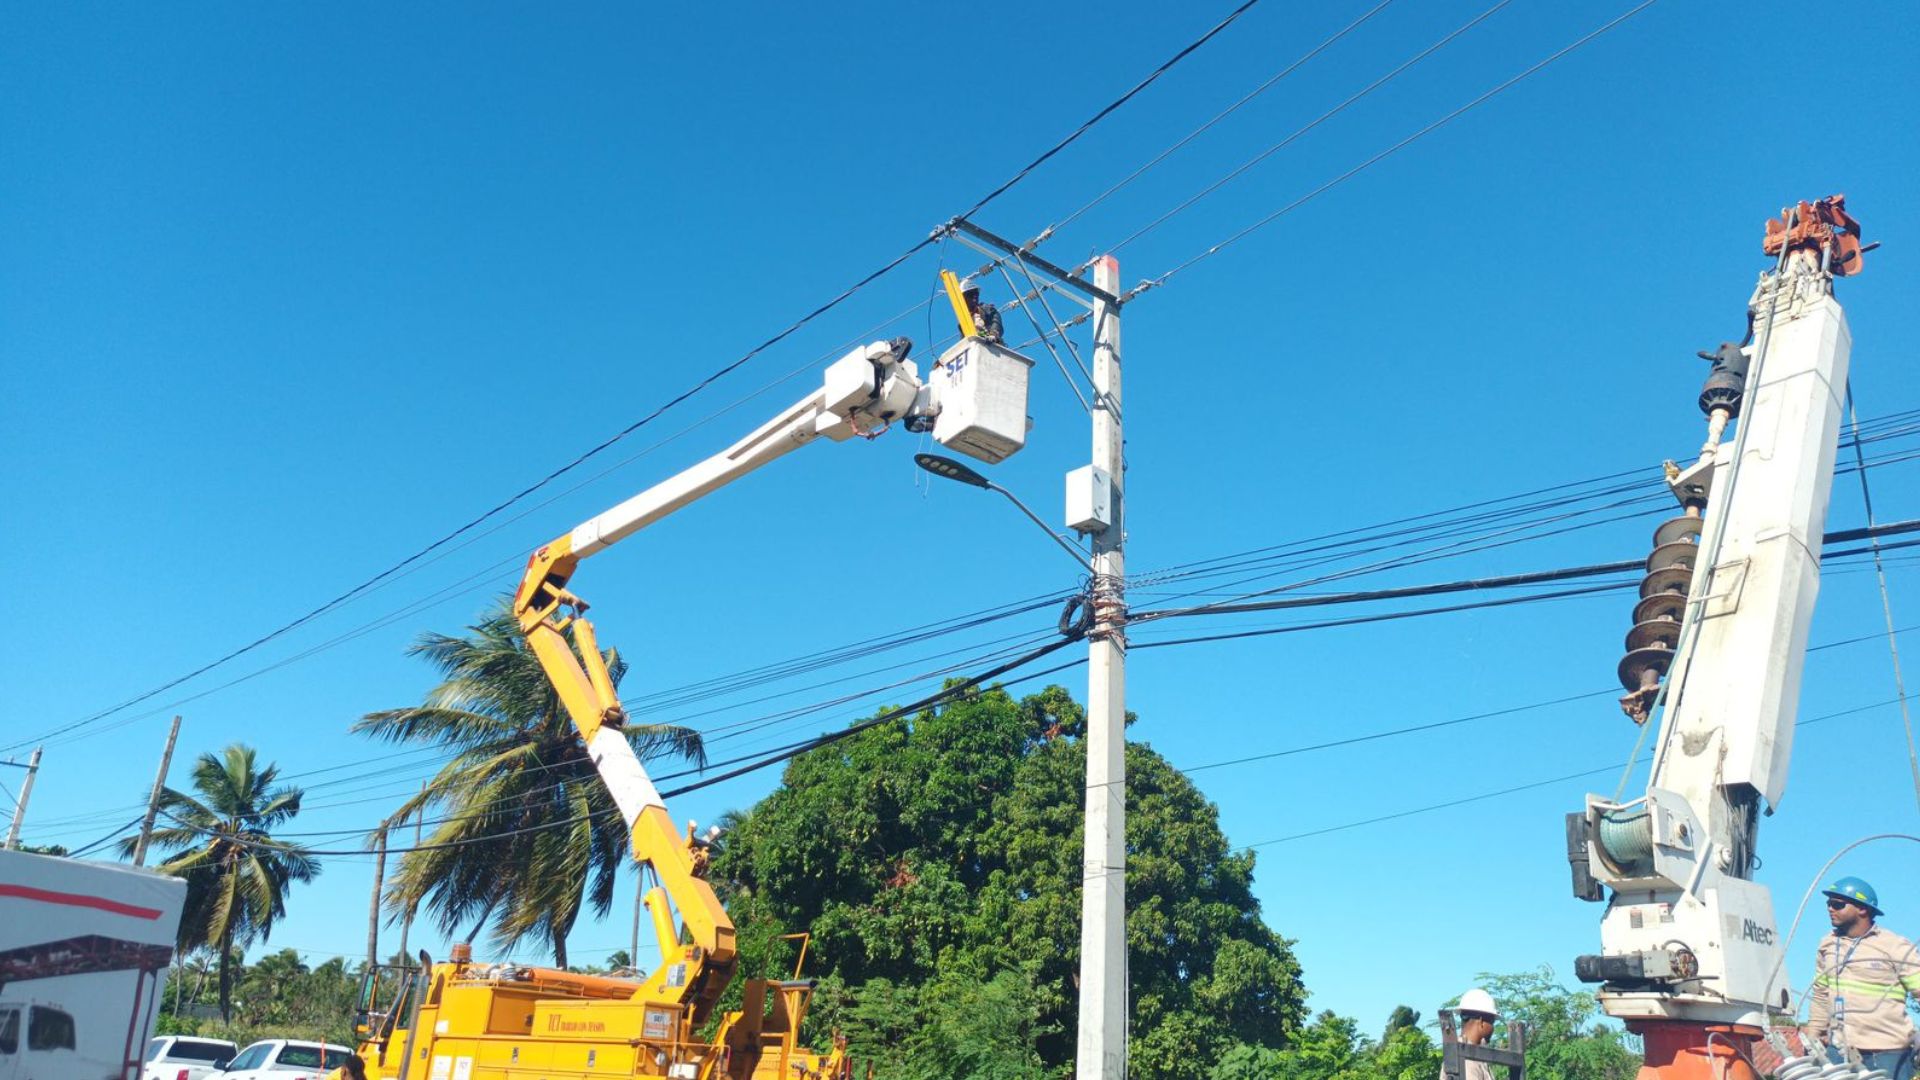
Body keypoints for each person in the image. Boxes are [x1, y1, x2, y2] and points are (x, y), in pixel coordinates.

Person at [1805, 876, 1920, 1080]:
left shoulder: (1894, 945)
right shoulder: (1827, 945)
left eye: (1838, 904)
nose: (1830, 909)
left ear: (1863, 909)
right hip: (1839, 1052)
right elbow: (1821, 994)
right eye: (1828, 904)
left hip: (1888, 1053)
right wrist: (1813, 1035)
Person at [1444, 988, 1500, 1080]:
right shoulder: (1467, 1059)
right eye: (1492, 1023)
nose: (1492, 1029)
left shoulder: (1472, 1055)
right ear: (1481, 1022)